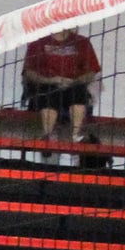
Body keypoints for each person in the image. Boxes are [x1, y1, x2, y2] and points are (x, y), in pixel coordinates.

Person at [22, 24, 102, 156]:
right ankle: (47, 135)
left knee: (78, 91)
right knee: (49, 92)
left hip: (73, 85)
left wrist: (74, 81)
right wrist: (51, 80)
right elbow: (28, 72)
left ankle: (76, 136)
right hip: (46, 85)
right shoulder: (38, 42)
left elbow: (91, 71)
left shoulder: (82, 42)